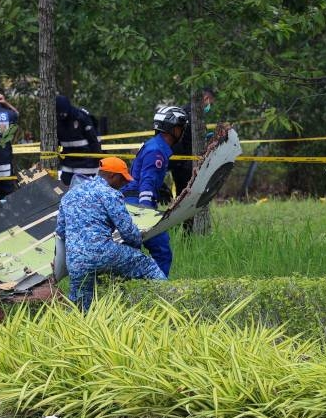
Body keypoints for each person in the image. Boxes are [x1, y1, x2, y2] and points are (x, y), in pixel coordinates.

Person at [55, 156, 166, 310]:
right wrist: (136, 247)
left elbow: (61, 231)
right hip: (102, 252)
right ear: (112, 176)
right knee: (148, 266)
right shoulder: (110, 194)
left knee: (80, 305)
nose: (124, 184)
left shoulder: (69, 195)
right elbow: (128, 232)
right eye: (122, 179)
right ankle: (170, 302)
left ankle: (72, 329)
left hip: (75, 260)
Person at [121, 104, 189, 276]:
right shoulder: (157, 151)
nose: (182, 131)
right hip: (138, 204)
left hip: (132, 202)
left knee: (131, 253)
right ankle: (158, 290)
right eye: (180, 127)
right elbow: (147, 182)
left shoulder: (155, 146)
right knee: (162, 251)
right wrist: (146, 214)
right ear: (171, 128)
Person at [169, 87, 216, 197]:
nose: (209, 106)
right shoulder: (192, 115)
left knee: (182, 195)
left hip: (180, 161)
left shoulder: (185, 111)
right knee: (186, 196)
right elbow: (187, 139)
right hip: (185, 162)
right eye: (210, 103)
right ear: (206, 98)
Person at [55, 95, 102, 186]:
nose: (62, 116)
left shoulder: (81, 117)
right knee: (66, 189)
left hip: (87, 165)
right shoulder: (57, 120)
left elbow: (94, 141)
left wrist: (97, 158)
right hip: (68, 165)